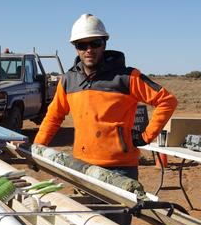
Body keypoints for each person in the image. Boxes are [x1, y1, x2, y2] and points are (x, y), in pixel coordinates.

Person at [34, 13, 177, 192]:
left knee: (116, 220)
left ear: (104, 44)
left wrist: (146, 136)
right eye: (82, 45)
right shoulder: (68, 80)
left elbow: (167, 101)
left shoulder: (127, 77)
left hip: (120, 169)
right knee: (87, 219)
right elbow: (53, 116)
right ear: (75, 48)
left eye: (95, 43)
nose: (89, 49)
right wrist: (38, 148)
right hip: (82, 166)